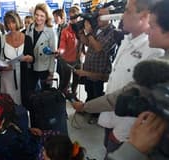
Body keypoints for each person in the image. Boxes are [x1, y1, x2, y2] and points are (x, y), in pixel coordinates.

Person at [73, 0, 165, 158]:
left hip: (128, 129)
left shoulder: (155, 52)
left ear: (144, 16)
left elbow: (132, 95)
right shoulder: (126, 40)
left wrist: (86, 106)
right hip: (111, 117)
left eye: (128, 11)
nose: (123, 16)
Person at [107, 0, 169, 159]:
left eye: (153, 26)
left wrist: (133, 149)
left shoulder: (155, 62)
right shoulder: (127, 41)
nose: (149, 31)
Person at [0, 10, 34, 106]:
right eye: (8, 23)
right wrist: (1, 67)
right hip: (6, 78)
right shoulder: (2, 39)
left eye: (13, 22)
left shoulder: (27, 39)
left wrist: (28, 58)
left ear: (18, 21)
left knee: (22, 105)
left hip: (22, 78)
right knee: (8, 106)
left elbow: (32, 58)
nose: (11, 25)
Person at [25, 3, 57, 90]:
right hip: (31, 66)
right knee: (31, 93)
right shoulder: (30, 27)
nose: (38, 18)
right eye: (37, 15)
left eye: (42, 16)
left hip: (44, 68)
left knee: (45, 94)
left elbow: (53, 53)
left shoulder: (50, 31)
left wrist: (51, 72)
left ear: (46, 17)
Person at [57, 5, 81, 102]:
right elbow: (62, 45)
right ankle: (60, 99)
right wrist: (60, 51)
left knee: (76, 80)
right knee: (65, 82)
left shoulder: (83, 29)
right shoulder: (65, 31)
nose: (74, 20)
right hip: (67, 60)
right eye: (71, 17)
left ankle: (73, 95)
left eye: (76, 17)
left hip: (79, 59)